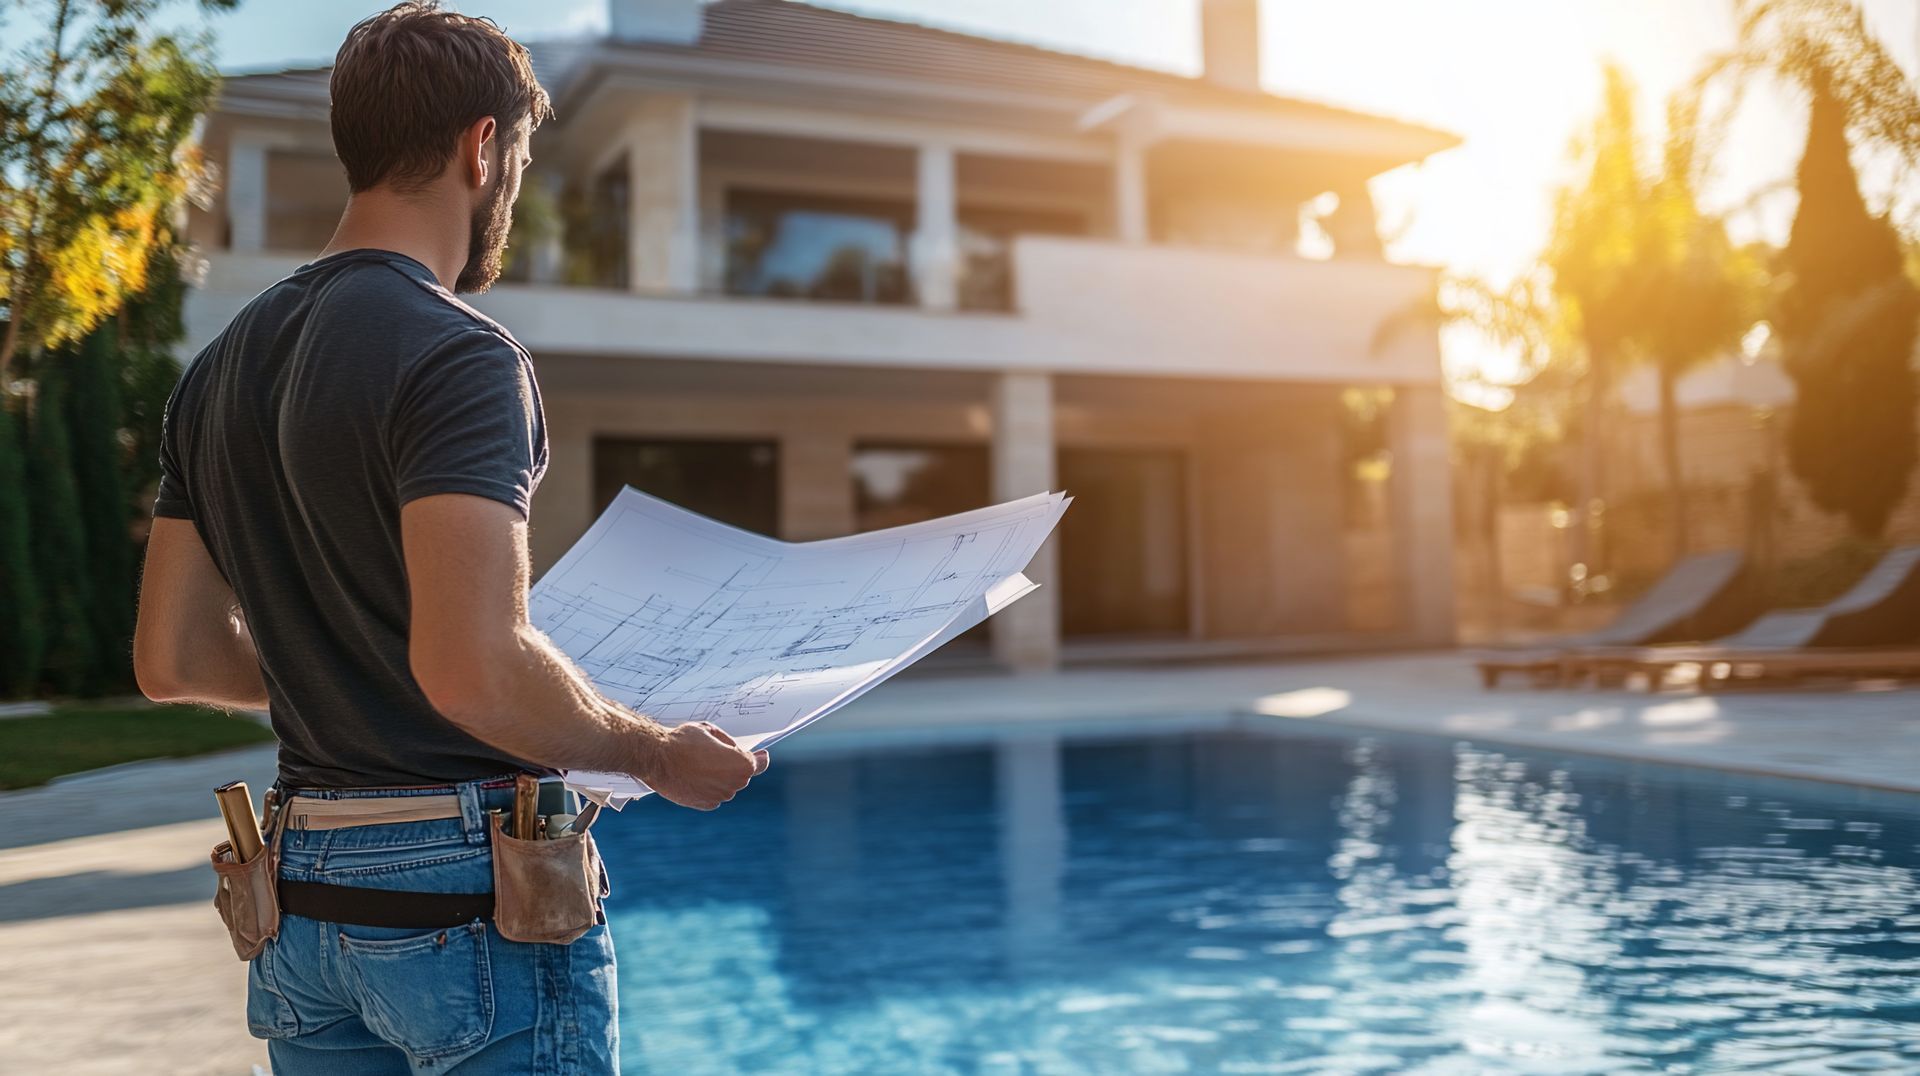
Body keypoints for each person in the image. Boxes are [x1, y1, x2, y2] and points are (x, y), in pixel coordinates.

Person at [131, 4, 763, 1071]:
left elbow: (174, 658)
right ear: (483, 148)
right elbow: (471, 667)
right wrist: (651, 750)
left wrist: (341, 661)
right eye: (517, 159)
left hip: (302, 901)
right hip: (465, 897)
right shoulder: (459, 353)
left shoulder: (216, 374)